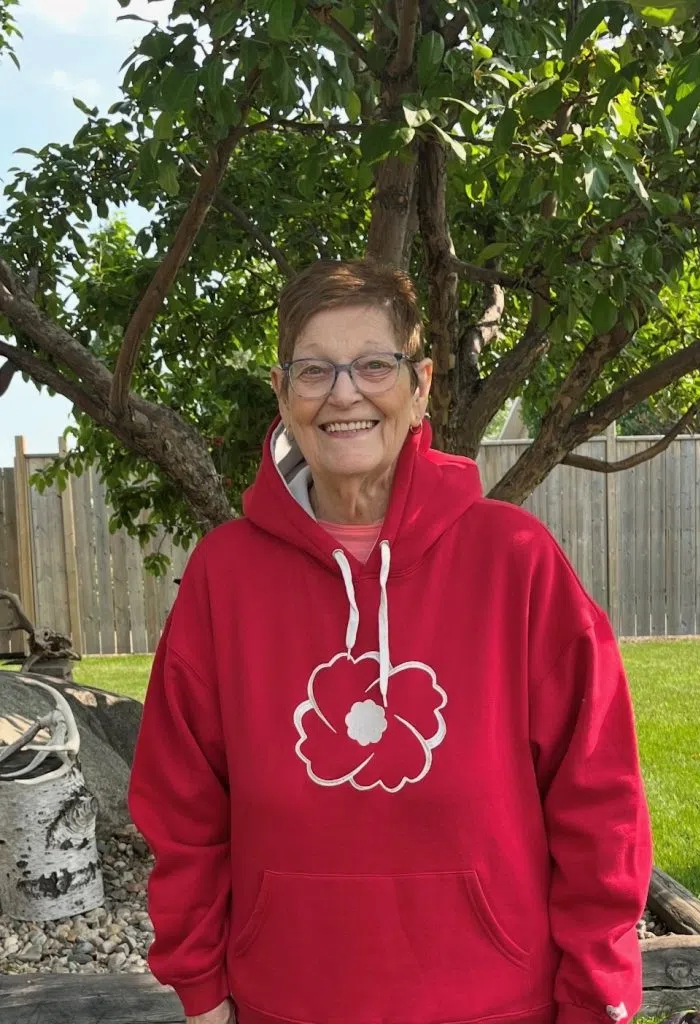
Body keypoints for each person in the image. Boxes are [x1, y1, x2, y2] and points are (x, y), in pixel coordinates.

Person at [128, 259, 653, 1024]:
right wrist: (200, 988)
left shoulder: (514, 560)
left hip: (496, 1005)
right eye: (314, 370)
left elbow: (598, 797)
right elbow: (182, 804)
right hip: (286, 1004)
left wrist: (594, 992)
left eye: (374, 364)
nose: (344, 394)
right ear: (282, 393)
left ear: (420, 385)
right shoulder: (225, 575)